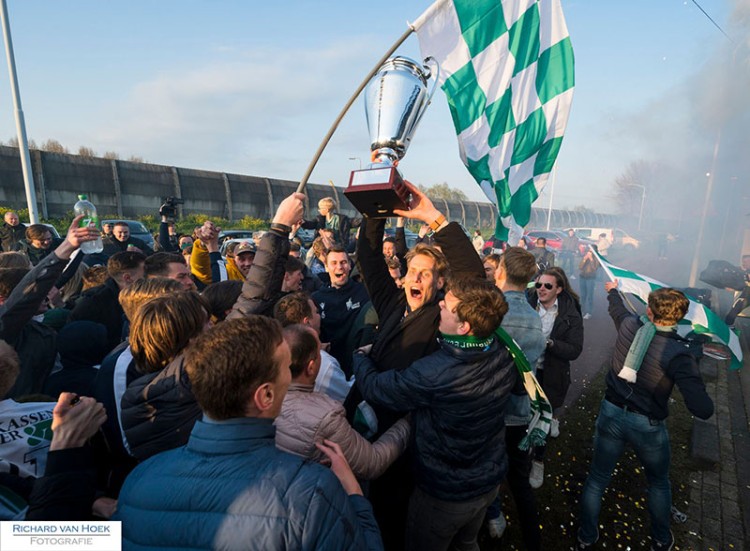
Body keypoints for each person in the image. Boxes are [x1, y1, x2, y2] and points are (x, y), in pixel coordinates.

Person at [114, 316, 384, 550]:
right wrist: (354, 494)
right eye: (285, 369)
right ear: (266, 395)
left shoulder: (139, 478)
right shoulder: (311, 492)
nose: (290, 377)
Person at [349, 180, 485, 550]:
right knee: (367, 498)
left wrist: (434, 218)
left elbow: (474, 279)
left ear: (440, 282)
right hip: (371, 424)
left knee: (396, 511)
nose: (417, 278)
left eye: (426, 274)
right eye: (413, 271)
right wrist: (376, 211)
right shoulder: (392, 304)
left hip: (412, 438)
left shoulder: (444, 317)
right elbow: (370, 259)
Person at [354, 277, 519, 551]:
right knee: (467, 542)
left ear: (464, 326)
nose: (440, 302)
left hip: (444, 496)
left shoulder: (434, 373)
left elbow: (376, 389)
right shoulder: (502, 349)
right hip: (488, 481)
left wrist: (361, 356)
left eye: (448, 304)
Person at [577, 283, 714, 551]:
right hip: (647, 425)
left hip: (611, 411)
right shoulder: (679, 353)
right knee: (659, 482)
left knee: (597, 478)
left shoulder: (629, 326)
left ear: (649, 311)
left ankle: (586, 536)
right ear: (680, 317)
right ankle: (661, 540)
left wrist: (613, 291)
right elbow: (703, 409)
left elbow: (617, 309)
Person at [274, 324, 410, 480]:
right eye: (319, 350)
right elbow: (372, 462)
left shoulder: (259, 398)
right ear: (310, 368)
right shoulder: (325, 418)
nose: (325, 346)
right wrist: (407, 423)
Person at [0, 215, 100, 398]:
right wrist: (65, 249)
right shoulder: (7, 325)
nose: (46, 295)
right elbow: (29, 293)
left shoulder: (44, 333)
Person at [486, 247, 546, 549]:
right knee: (519, 480)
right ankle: (533, 540)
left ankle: (494, 518)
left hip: (492, 411)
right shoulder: (536, 319)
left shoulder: (494, 314)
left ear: (501, 271)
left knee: (488, 470)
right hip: (520, 412)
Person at [528, 267, 584, 488]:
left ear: (559, 289)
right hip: (526, 371)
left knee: (543, 419)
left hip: (551, 374)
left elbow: (575, 349)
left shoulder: (570, 315)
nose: (541, 289)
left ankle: (538, 461)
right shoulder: (528, 303)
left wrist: (550, 344)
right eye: (539, 284)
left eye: (548, 286)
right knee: (522, 414)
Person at [273, 292, 352, 402]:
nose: (319, 316)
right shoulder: (324, 364)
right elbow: (347, 395)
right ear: (307, 322)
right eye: (316, 312)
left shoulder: (273, 359)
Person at [68, 250, 146, 350]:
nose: (149, 278)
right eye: (144, 274)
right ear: (127, 278)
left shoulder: (139, 296)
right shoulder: (93, 303)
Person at [312, 246, 370, 374]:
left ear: (350, 266)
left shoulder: (364, 293)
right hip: (325, 368)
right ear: (326, 267)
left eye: (343, 262)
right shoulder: (315, 299)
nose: (339, 267)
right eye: (334, 263)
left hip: (355, 365)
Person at [579, 248, 599, 319]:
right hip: (582, 277)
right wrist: (584, 259)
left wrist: (591, 259)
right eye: (588, 251)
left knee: (590, 296)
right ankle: (582, 310)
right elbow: (580, 267)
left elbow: (594, 268)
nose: (589, 252)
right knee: (582, 296)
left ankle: (589, 312)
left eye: (590, 251)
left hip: (590, 279)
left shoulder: (596, 259)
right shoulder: (585, 257)